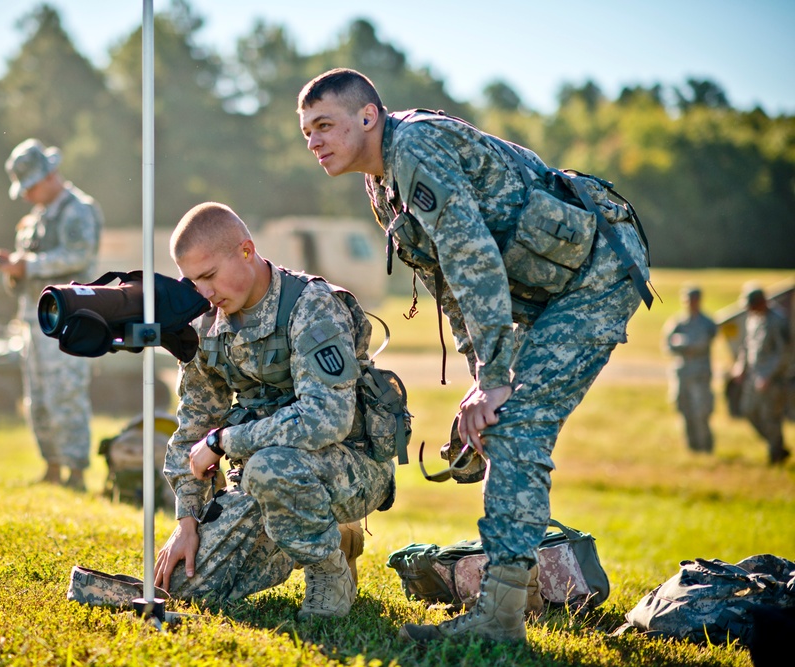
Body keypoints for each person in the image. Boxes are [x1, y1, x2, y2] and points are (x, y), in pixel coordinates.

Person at [297, 68, 651, 643]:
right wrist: (480, 385)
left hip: (596, 274)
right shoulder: (382, 185)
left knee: (517, 427)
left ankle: (500, 620)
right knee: (500, 418)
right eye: (307, 131)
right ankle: (510, 601)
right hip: (546, 285)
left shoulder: (413, 148)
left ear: (368, 116)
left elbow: (474, 262)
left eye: (325, 125)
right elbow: (447, 284)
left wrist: (495, 379)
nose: (313, 141)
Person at [154, 202, 394, 619]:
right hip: (264, 476)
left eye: (209, 276)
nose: (205, 293)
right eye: (194, 282)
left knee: (270, 468)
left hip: (351, 466)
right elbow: (194, 421)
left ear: (246, 251)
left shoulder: (312, 306)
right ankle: (327, 535)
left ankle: (329, 571)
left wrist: (225, 440)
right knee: (182, 588)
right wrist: (188, 520)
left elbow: (327, 417)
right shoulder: (206, 324)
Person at [0, 139, 103, 491]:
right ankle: (52, 466)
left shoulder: (78, 210)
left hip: (68, 320)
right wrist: (13, 269)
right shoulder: (35, 218)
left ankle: (76, 473)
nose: (26, 196)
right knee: (38, 398)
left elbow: (78, 255)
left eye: (30, 186)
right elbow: (25, 274)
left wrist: (27, 264)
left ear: (50, 175)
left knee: (66, 395)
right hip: (31, 319)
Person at [731, 283, 791, 465]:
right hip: (754, 377)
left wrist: (768, 376)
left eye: (752, 305)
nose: (749, 309)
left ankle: (776, 457)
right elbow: (747, 345)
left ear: (762, 302)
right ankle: (778, 447)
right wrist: (740, 366)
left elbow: (785, 354)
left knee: (770, 417)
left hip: (773, 380)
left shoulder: (778, 321)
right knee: (748, 411)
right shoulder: (753, 318)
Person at [662, 285, 718, 453]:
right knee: (684, 410)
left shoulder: (707, 323)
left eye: (693, 300)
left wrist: (682, 344)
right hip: (682, 374)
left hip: (700, 375)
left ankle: (705, 447)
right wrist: (685, 345)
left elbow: (702, 343)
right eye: (687, 300)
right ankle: (692, 448)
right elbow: (668, 345)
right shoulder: (677, 322)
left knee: (701, 412)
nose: (690, 303)